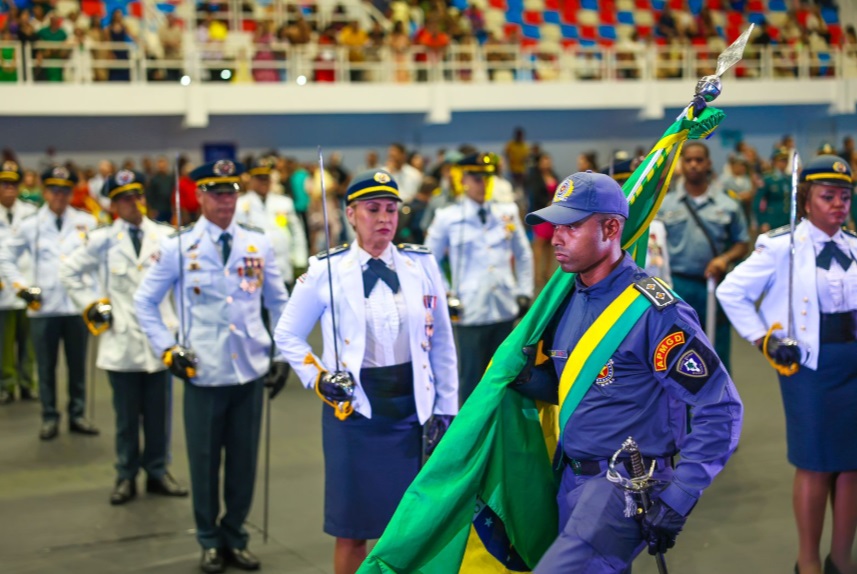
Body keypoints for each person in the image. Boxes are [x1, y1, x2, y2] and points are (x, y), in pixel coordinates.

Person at [515, 171, 742, 572]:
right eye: (556, 226)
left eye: (571, 226)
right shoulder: (567, 300)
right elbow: (589, 387)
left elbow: (720, 407)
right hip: (570, 481)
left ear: (611, 227)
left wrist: (681, 494)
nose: (556, 237)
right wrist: (528, 380)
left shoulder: (654, 312)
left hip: (621, 487)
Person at [274, 169, 458, 574]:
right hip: (355, 411)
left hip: (414, 409)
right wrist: (319, 376)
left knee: (411, 523)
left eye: (391, 209)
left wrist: (447, 408)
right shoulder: (327, 269)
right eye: (373, 209)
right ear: (351, 214)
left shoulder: (421, 264)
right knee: (352, 528)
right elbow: (287, 333)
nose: (384, 218)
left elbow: (441, 342)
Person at [134, 159, 291, 574]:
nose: (225, 201)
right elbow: (144, 302)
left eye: (231, 193)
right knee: (204, 463)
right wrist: (168, 348)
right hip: (202, 370)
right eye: (216, 193)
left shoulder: (258, 243)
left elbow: (279, 303)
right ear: (200, 196)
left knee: (243, 462)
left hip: (249, 368)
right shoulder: (179, 246)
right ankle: (208, 539)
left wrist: (281, 355)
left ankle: (235, 535)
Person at [717, 155, 857, 574]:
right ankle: (809, 561)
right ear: (806, 201)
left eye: (845, 197)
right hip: (811, 370)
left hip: (854, 368)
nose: (838, 205)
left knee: (852, 467)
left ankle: (843, 559)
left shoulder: (855, 246)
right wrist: (765, 339)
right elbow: (731, 292)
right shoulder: (782, 248)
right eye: (827, 196)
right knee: (815, 464)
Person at [59, 170, 188, 506]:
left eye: (139, 196)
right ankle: (126, 474)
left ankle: (158, 471)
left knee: (159, 416)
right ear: (115, 205)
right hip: (122, 340)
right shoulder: (103, 239)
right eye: (127, 199)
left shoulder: (166, 236)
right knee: (127, 417)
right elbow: (69, 270)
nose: (135, 204)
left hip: (161, 340)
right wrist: (91, 304)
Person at [0, 166, 99, 440]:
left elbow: (97, 263)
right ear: (45, 192)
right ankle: (49, 416)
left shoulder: (85, 222)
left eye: (65, 190)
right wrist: (21, 287)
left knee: (77, 365)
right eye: (55, 190)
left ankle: (78, 414)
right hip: (43, 307)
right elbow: (6, 257)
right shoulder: (31, 225)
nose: (60, 196)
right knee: (46, 366)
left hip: (76, 306)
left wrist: (95, 297)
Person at [426, 153, 534, 404]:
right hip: (470, 311)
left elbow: (523, 254)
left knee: (505, 378)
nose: (482, 184)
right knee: (471, 380)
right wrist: (447, 293)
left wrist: (524, 291)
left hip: (505, 307)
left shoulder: (506, 212)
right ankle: (472, 440)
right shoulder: (448, 217)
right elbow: (429, 261)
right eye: (476, 178)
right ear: (462, 180)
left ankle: (499, 436)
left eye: (486, 178)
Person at [657, 142, 749, 373]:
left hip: (713, 286)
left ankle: (717, 405)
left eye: (699, 160)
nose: (694, 165)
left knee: (716, 349)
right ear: (682, 164)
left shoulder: (727, 204)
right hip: (676, 287)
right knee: (676, 351)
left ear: (708, 164)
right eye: (688, 160)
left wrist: (725, 259)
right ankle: (681, 408)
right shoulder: (664, 205)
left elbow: (742, 243)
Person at [236, 158, 308, 288]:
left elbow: (297, 232)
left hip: (282, 266)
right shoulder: (241, 205)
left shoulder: (283, 202)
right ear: (251, 180)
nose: (264, 182)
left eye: (266, 178)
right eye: (259, 178)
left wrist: (299, 260)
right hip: (253, 270)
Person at [0, 160, 38, 404]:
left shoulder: (31, 213)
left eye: (13, 184)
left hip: (28, 283)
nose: (9, 188)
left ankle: (27, 383)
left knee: (29, 340)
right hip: (2, 286)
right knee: (3, 342)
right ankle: (6, 384)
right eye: (4, 184)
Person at [755, 146, 791, 234]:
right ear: (774, 162)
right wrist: (762, 221)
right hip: (773, 221)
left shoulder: (790, 179)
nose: (784, 163)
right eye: (781, 160)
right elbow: (757, 202)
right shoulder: (768, 179)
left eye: (785, 160)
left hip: (788, 221)